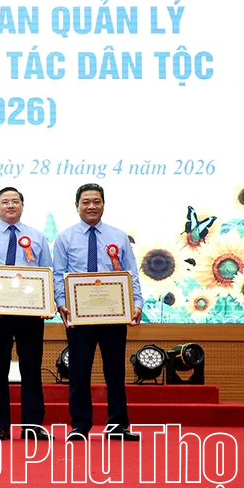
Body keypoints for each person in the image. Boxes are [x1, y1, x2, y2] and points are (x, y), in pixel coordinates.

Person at [54, 183, 143, 441]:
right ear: (77, 206)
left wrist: (137, 303)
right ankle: (79, 426)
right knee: (79, 371)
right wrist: (61, 303)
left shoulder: (119, 236)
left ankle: (117, 425)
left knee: (115, 371)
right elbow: (59, 274)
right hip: (79, 316)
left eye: (96, 201)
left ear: (103, 204)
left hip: (114, 315)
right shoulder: (65, 238)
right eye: (86, 202)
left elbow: (131, 273)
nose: (91, 206)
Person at [0, 187, 54, 441]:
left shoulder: (37, 237)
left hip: (30, 314)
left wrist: (46, 303)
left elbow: (47, 273)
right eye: (5, 202)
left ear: (22, 206)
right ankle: (1, 425)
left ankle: (32, 425)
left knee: (31, 368)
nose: (10, 206)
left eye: (15, 201)